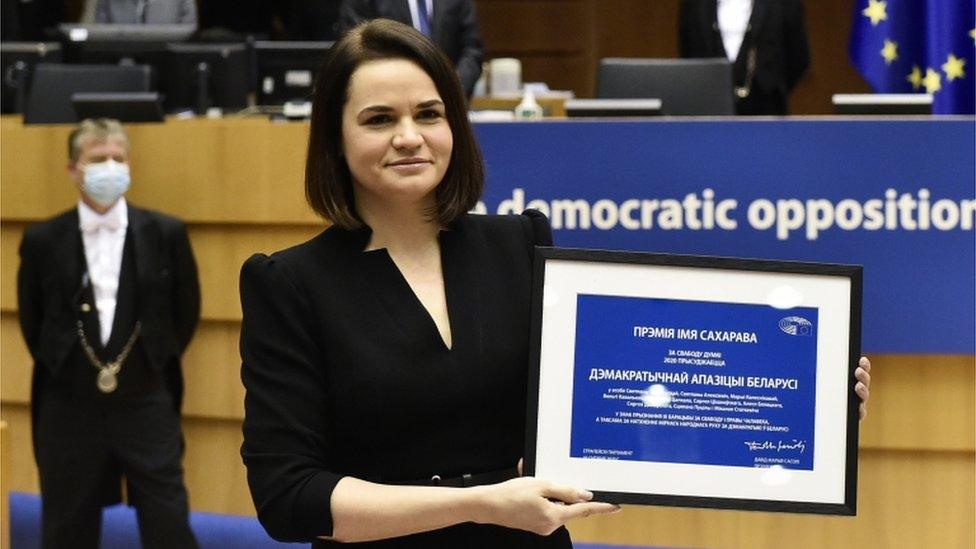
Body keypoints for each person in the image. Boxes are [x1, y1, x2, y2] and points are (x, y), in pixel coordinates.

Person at [240, 19, 873, 548]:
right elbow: (288, 495)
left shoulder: (519, 244)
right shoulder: (291, 284)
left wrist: (808, 406)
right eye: (379, 119)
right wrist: (482, 503)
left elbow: (628, 399)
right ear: (335, 137)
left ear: (454, 125)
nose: (409, 137)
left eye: (429, 114)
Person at [17, 118, 200, 549]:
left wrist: (151, 362)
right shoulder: (43, 239)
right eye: (98, 159)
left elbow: (184, 313)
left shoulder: (166, 233)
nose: (110, 167)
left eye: (119, 158)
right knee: (66, 524)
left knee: (168, 520)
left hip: (146, 398)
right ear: (73, 169)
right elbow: (33, 320)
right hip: (68, 403)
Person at [679, 0, 810, 115]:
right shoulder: (694, 3)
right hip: (708, 112)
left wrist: (771, 88)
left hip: (767, 113)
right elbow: (688, 55)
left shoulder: (784, 3)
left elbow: (799, 57)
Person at [338, 0, 484, 97]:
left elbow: (472, 48)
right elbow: (356, 45)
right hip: (387, 96)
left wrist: (453, 89)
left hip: (448, 102)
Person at [89, 0, 197, 25]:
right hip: (120, 69)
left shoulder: (182, 2)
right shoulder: (107, 2)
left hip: (169, 67)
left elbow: (189, 38)